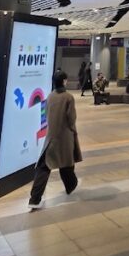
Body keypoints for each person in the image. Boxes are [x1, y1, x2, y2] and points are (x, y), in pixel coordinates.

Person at [28, 71, 81, 211]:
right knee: (64, 164)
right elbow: (71, 119)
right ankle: (70, 186)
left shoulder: (50, 96)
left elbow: (46, 115)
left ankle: (35, 199)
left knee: (47, 167)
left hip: (51, 137)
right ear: (64, 81)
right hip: (65, 138)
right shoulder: (68, 97)